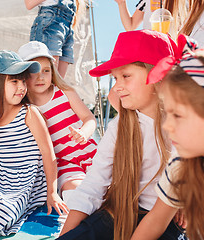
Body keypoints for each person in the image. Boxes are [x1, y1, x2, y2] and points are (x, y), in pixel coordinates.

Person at [58, 30, 186, 240]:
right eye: (115, 78)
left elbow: (160, 217)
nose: (116, 87)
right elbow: (93, 186)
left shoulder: (184, 132)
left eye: (126, 76)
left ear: (158, 75)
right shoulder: (119, 127)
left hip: (165, 220)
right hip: (120, 211)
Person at [0, 50, 68, 239]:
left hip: (25, 182)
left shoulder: (28, 113)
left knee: (1, 213)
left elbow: (48, 154)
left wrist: (52, 193)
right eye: (14, 81)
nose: (21, 87)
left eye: (23, 81)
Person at [131, 35, 204, 240]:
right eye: (168, 113)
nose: (167, 125)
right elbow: (155, 221)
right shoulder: (181, 167)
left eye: (178, 115)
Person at [18, 40, 97, 204]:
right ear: (22, 75)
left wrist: (84, 132)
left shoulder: (65, 92)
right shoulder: (26, 109)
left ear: (52, 71)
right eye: (34, 72)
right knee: (76, 193)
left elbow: (89, 119)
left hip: (91, 154)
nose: (40, 77)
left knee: (113, 186)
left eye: (46, 71)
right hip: (63, 164)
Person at [24, 0, 78, 78]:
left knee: (58, 82)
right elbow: (29, 4)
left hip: (68, 26)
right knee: (48, 77)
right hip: (50, 22)